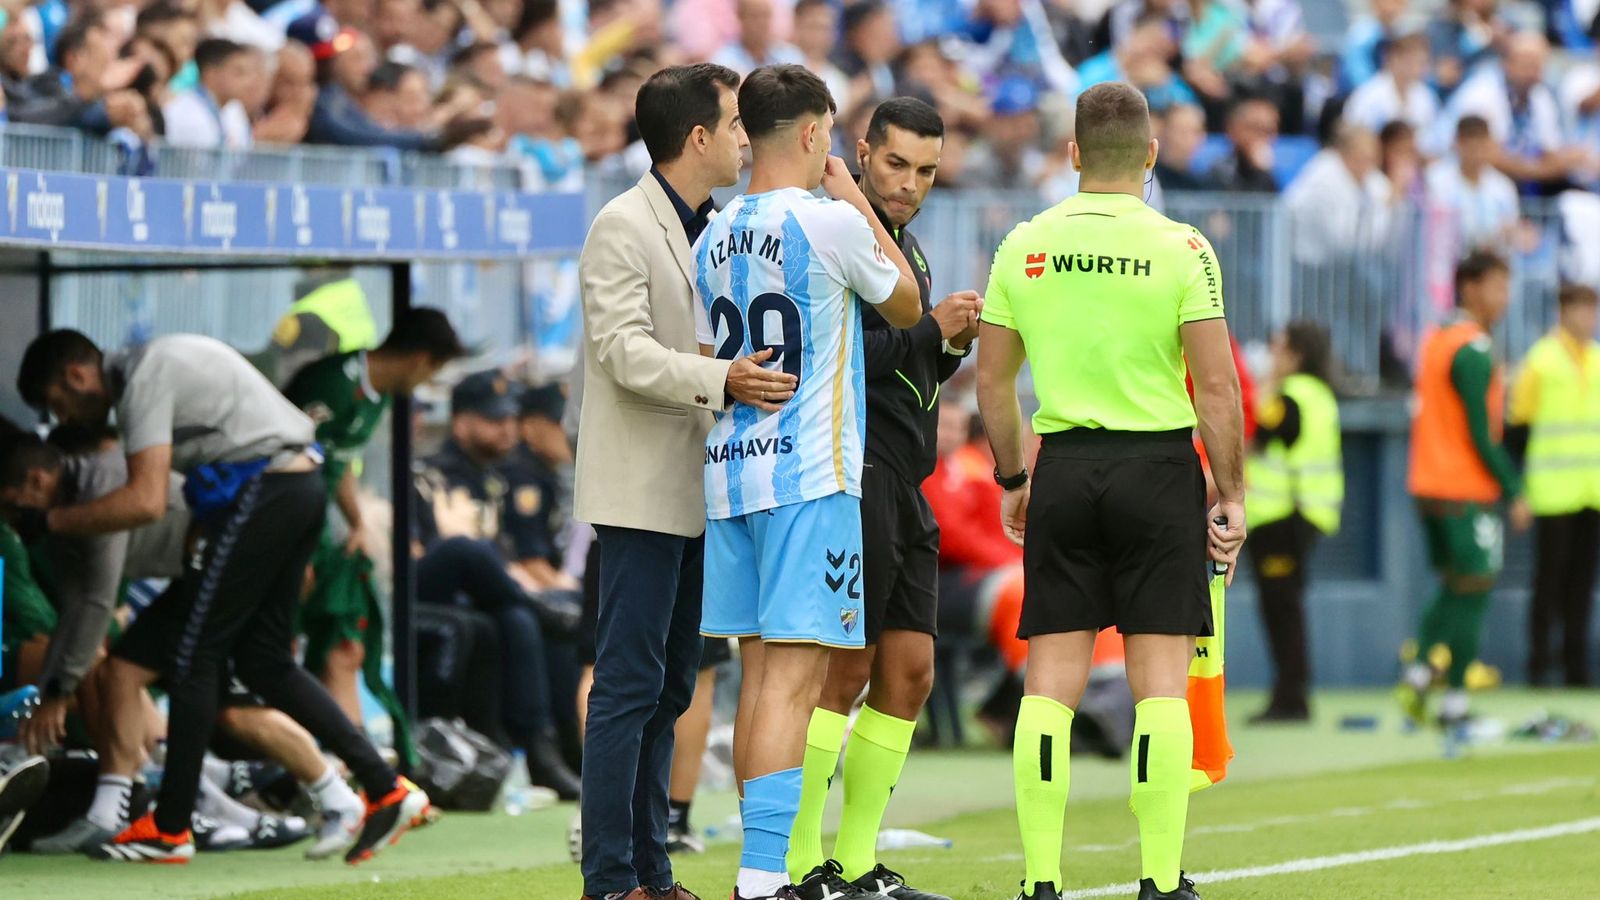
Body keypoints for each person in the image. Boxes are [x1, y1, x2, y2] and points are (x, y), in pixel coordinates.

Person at [13, 330, 427, 864]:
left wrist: (49, 522)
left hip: (266, 489)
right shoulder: (148, 371)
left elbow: (145, 501)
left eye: (58, 404)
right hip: (294, 486)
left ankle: (170, 828)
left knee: (194, 659)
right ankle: (385, 787)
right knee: (260, 661)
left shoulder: (142, 377)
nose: (63, 420)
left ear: (75, 376)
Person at [975, 82, 1245, 900]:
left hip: (1064, 467)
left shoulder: (1026, 242)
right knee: (1158, 683)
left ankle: (1041, 880)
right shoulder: (1183, 246)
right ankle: (1159, 879)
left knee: (1048, 682)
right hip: (1157, 470)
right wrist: (1230, 494)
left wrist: (1014, 477)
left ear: (1073, 154)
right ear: (1152, 155)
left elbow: (992, 381)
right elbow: (1217, 386)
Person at [694, 64, 921, 900]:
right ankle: (762, 880)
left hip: (731, 477)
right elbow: (908, 304)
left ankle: (760, 874)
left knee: (761, 684)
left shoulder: (711, 234)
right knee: (794, 686)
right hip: (808, 477)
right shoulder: (827, 221)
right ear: (816, 133)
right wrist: (852, 195)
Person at [573, 61, 787, 900]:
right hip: (640, 493)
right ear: (698, 137)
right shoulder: (622, 225)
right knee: (627, 688)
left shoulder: (719, 227)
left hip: (701, 491)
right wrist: (722, 378)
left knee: (668, 689)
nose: (745, 140)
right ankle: (609, 879)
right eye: (735, 126)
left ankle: (652, 875)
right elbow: (621, 351)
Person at [786, 96, 977, 900]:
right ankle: (800, 864)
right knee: (843, 673)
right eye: (896, 163)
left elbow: (907, 366)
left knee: (911, 672)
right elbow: (836, 355)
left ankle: (859, 864)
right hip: (852, 474)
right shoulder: (835, 231)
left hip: (907, 482)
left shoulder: (907, 249)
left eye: (926, 171)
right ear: (861, 153)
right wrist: (932, 331)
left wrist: (949, 347)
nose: (909, 183)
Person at [284, 308, 464, 727]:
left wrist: (357, 523)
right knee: (283, 644)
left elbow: (339, 461)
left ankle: (350, 755)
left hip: (316, 528)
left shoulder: (378, 395)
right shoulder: (333, 382)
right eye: (433, 371)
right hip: (286, 526)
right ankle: (284, 749)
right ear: (420, 360)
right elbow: (284, 460)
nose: (426, 382)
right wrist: (297, 547)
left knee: (346, 647)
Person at [413, 370, 583, 800]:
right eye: (493, 419)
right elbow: (413, 551)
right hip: (428, 587)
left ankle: (550, 748)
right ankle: (538, 609)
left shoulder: (492, 481)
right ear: (461, 422)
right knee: (464, 550)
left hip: (481, 597)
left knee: (520, 619)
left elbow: (507, 559)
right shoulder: (425, 474)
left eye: (510, 419)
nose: (507, 428)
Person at [1399, 250, 1528, 731]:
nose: (1505, 298)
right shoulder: (1473, 348)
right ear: (1471, 288)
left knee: (1456, 583)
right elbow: (1482, 433)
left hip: (1427, 483)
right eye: (1498, 287)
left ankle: (1421, 674)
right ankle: (1448, 695)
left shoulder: (1437, 337)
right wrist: (1514, 489)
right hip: (1464, 488)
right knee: (1476, 587)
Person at [1244, 322, 1343, 723]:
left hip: (1282, 517)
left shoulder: (1289, 397)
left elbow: (1256, 436)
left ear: (1296, 354)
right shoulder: (1319, 395)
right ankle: (1291, 694)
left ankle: (1290, 698)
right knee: (1286, 607)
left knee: (1281, 610)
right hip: (1303, 513)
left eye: (1278, 348)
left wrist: (1262, 384)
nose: (1271, 355)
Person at [1509, 284, 1600, 687]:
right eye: (1581, 310)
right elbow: (1518, 428)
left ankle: (1577, 668)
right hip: (1551, 492)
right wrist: (1520, 490)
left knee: (1582, 585)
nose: (1588, 319)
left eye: (1592, 311)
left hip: (1591, 491)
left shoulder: (1597, 360)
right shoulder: (1540, 361)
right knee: (1548, 581)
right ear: (1563, 312)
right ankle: (1538, 665)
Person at [1425, 115, 1522, 254]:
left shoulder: (1503, 187)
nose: (1477, 155)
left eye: (1482, 147)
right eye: (1472, 148)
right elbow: (1435, 228)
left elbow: (1511, 231)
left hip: (1490, 260)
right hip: (1448, 258)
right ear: (1457, 144)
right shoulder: (1436, 179)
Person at [162, 37, 255, 149]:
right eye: (238, 72)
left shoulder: (235, 111)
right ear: (211, 73)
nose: (248, 82)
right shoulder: (186, 114)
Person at [1343, 32, 1439, 135]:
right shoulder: (1368, 96)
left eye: (1423, 62)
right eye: (1413, 60)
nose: (1419, 68)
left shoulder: (1425, 97)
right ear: (1394, 58)